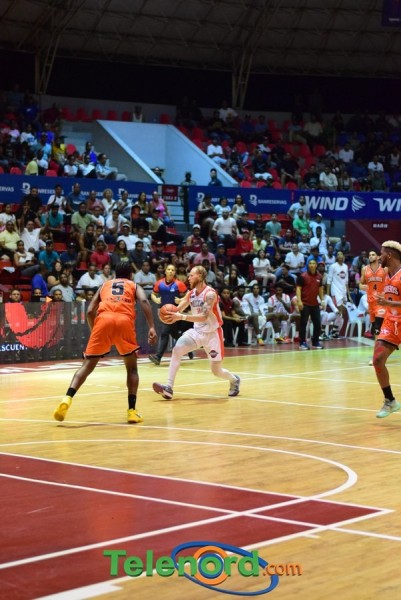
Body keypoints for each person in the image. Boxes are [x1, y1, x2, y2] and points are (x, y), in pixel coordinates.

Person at [53, 262, 157, 424]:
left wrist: (95, 330)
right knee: (132, 368)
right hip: (124, 321)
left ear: (115, 274)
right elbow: (144, 301)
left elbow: (89, 311)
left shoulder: (105, 285)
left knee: (87, 366)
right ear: (130, 275)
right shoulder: (133, 285)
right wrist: (151, 326)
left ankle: (67, 398)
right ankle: (131, 411)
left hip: (103, 321)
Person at [152, 265, 240, 400]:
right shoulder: (191, 293)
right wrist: (167, 314)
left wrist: (181, 317)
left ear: (200, 276)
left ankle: (234, 379)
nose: (188, 278)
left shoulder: (210, 294)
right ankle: (168, 388)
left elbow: (204, 316)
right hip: (197, 332)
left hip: (213, 334)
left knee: (216, 371)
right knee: (177, 350)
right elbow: (178, 309)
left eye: (191, 275)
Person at [372, 241, 401, 418]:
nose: (378, 256)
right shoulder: (386, 274)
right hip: (391, 322)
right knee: (377, 360)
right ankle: (390, 401)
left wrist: (390, 303)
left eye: (381, 253)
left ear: (389, 255)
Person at [148, 263, 191, 365]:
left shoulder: (179, 284)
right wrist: (156, 299)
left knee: (164, 332)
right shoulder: (159, 283)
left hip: (174, 312)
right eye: (169, 269)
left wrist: (180, 300)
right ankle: (189, 349)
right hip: (163, 311)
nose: (171, 271)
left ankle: (158, 357)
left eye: (172, 270)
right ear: (165, 271)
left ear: (175, 272)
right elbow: (153, 294)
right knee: (174, 334)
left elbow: (189, 294)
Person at [359, 249, 387, 356]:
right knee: (375, 329)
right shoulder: (364, 269)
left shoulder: (384, 269)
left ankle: (376, 355)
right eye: (369, 255)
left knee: (377, 328)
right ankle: (383, 349)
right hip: (371, 303)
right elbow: (360, 283)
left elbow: (390, 282)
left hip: (381, 302)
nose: (370, 256)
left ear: (378, 257)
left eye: (373, 254)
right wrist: (361, 286)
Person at [296, 259, 325, 350]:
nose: (312, 265)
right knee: (303, 323)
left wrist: (322, 300)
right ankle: (302, 342)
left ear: (316, 265)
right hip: (305, 303)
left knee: (317, 323)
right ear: (308, 265)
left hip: (315, 304)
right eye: (310, 263)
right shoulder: (302, 276)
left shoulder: (319, 276)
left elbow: (320, 289)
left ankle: (315, 342)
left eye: (313, 263)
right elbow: (298, 289)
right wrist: (299, 301)